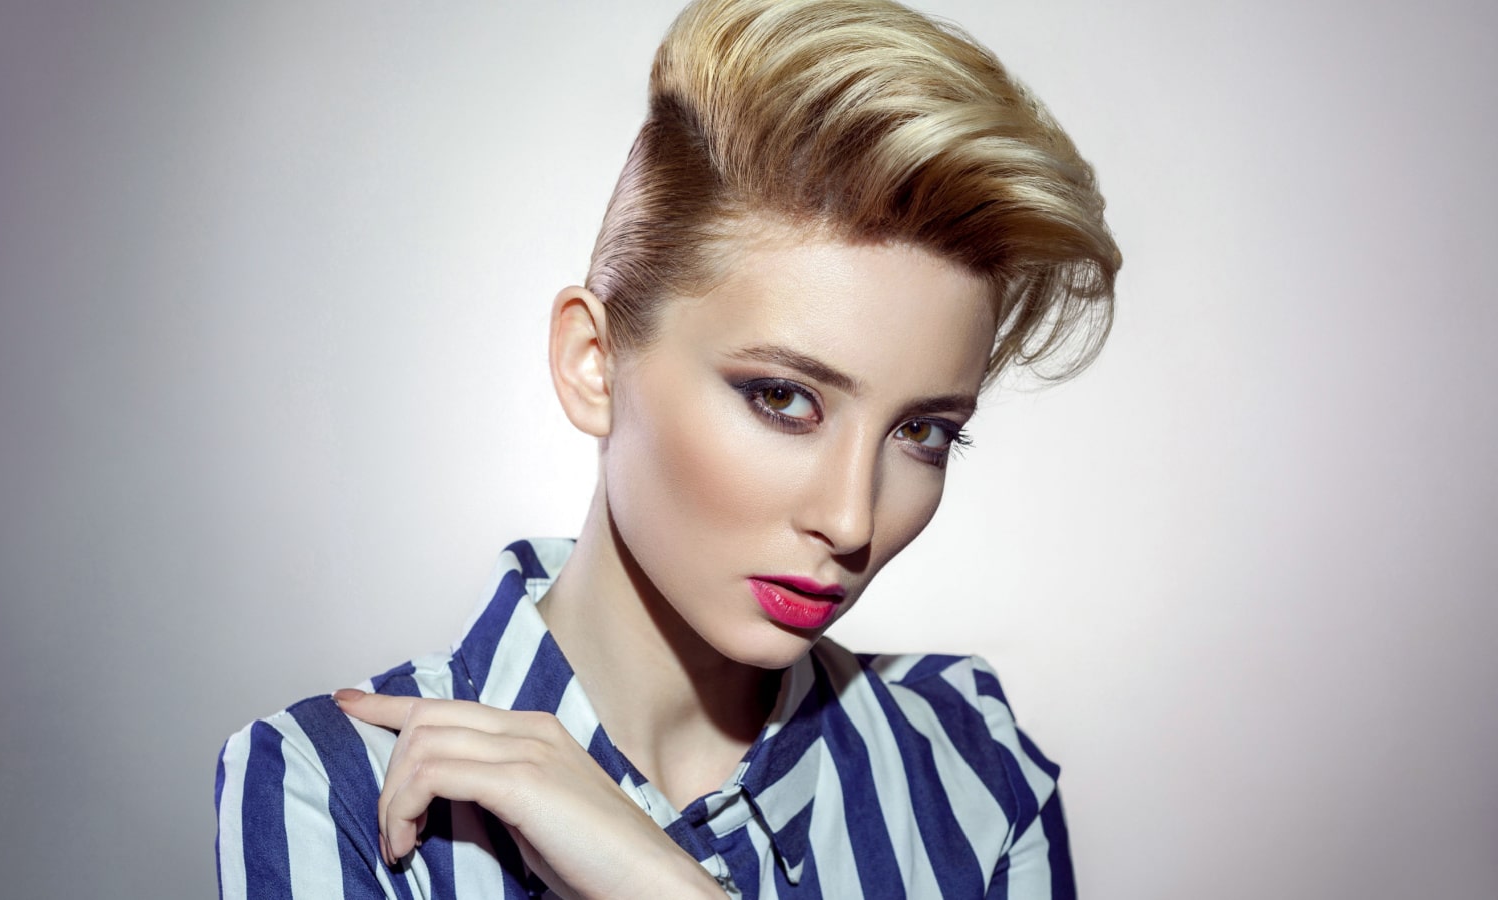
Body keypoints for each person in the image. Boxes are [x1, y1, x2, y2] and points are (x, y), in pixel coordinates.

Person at [215, 0, 1119, 896]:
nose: (851, 519)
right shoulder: (336, 791)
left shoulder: (970, 770)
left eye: (922, 432)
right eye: (783, 398)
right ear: (594, 364)